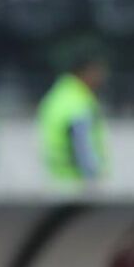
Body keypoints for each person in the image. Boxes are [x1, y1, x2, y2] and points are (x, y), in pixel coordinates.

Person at [37, 44, 109, 182]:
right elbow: (81, 144)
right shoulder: (77, 102)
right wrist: (93, 177)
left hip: (56, 181)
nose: (102, 77)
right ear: (87, 71)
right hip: (77, 185)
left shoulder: (58, 94)